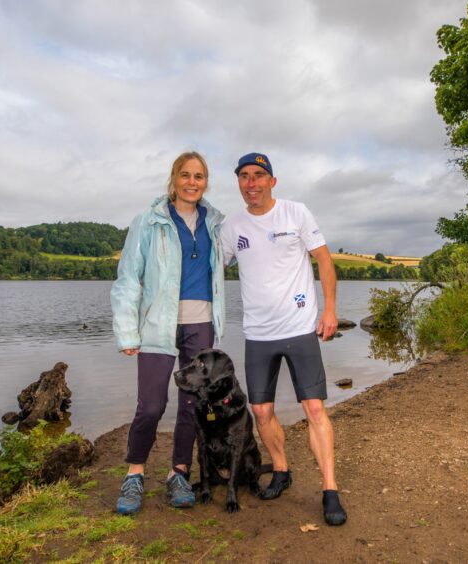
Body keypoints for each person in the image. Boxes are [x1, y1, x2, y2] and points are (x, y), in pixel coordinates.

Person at [220, 152, 347, 526]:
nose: (251, 183)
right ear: (239, 182)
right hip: (258, 334)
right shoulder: (232, 227)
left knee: (313, 409)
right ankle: (281, 470)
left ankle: (330, 489)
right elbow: (210, 266)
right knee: (261, 411)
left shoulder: (296, 213)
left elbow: (323, 259)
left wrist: (329, 309)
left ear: (272, 181)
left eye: (259, 175)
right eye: (244, 176)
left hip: (300, 327)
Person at [110, 151, 225, 515]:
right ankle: (134, 473)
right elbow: (128, 279)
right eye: (186, 175)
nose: (193, 182)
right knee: (152, 406)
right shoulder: (148, 221)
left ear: (206, 182)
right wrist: (128, 331)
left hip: (201, 322)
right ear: (173, 178)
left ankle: (179, 472)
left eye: (200, 176)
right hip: (157, 325)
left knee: (192, 404)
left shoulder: (215, 224)